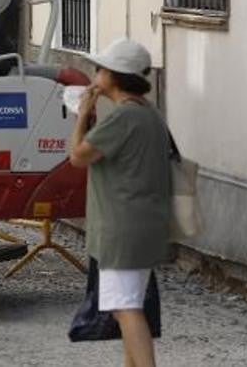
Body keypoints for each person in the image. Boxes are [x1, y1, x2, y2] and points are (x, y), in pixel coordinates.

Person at [67, 38, 172, 367]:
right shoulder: (148, 113)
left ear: (115, 74)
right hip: (144, 225)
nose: (96, 73)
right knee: (130, 305)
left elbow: (77, 157)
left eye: (101, 69)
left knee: (125, 311)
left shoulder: (122, 118)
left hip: (121, 230)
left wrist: (83, 114)